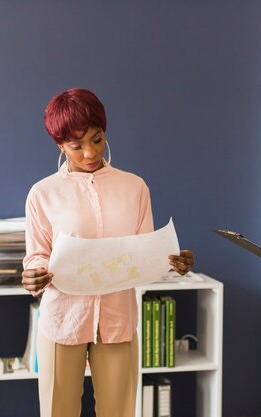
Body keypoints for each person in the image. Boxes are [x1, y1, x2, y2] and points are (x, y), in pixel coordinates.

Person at [22, 88, 194, 417]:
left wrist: (174, 262)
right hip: (63, 319)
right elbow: (37, 256)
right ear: (60, 145)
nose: (90, 152)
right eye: (76, 145)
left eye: (97, 139)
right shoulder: (42, 194)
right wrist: (34, 275)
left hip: (117, 320)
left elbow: (145, 253)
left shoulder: (135, 188)